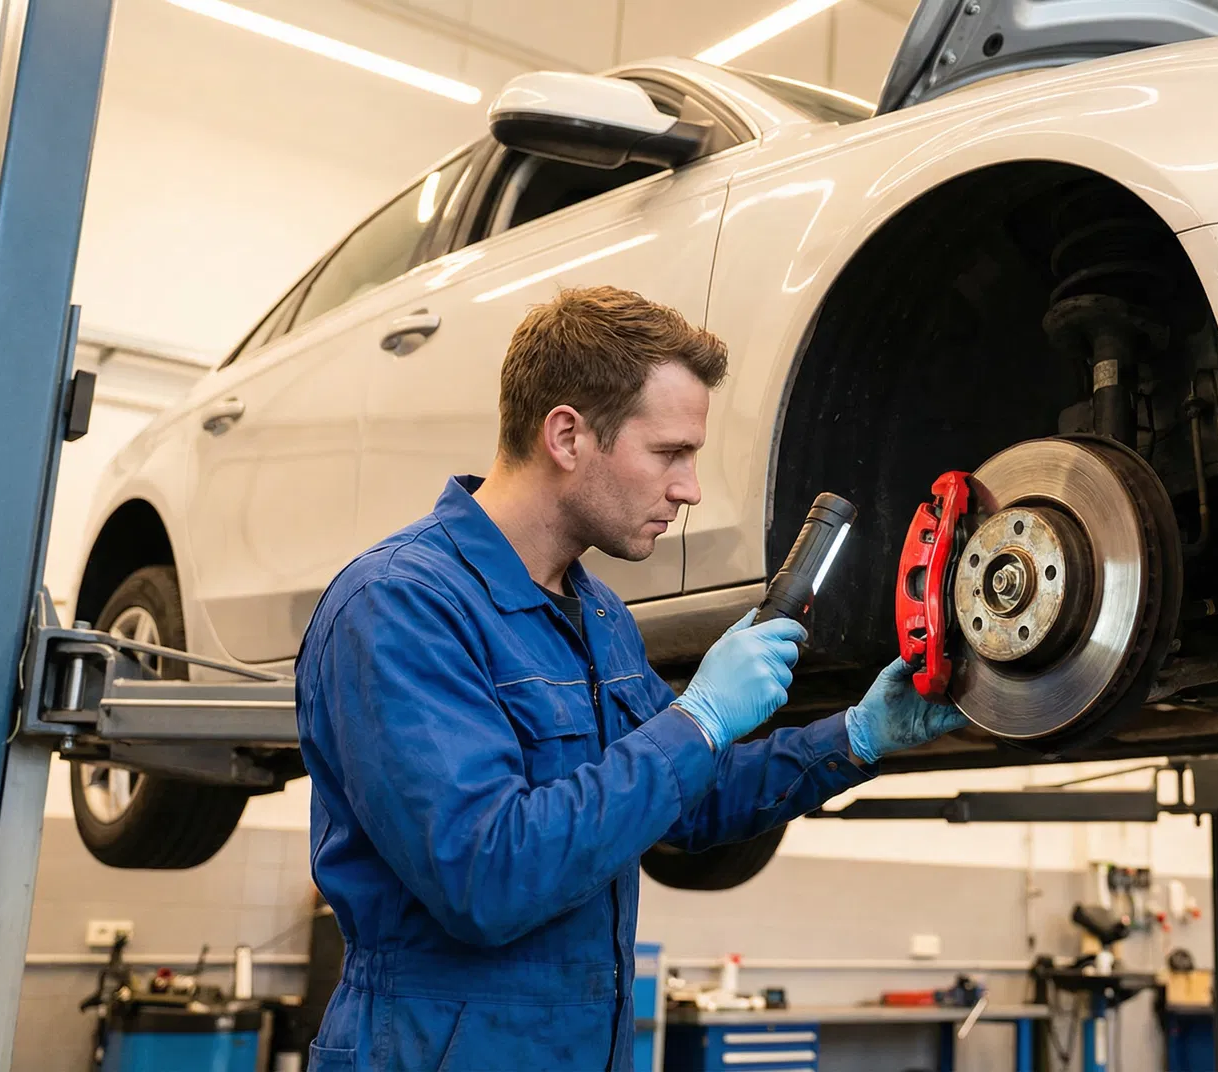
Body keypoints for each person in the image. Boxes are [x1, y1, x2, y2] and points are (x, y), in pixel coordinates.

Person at [294, 286, 966, 1071]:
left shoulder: (598, 613)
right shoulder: (402, 606)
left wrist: (856, 737)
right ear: (568, 435)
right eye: (670, 453)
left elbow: (688, 801)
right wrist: (701, 718)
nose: (689, 489)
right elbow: (487, 876)